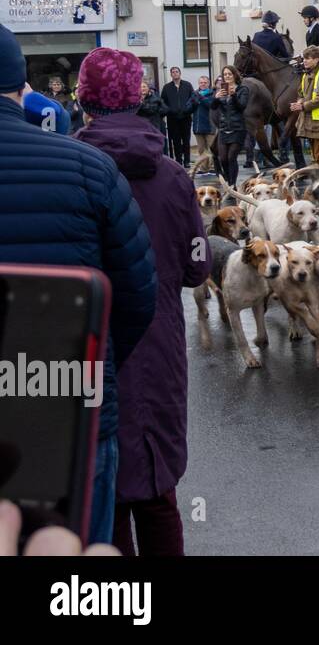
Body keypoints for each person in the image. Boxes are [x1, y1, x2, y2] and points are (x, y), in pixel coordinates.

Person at [0, 26, 157, 547]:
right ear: (24, 90)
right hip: (70, 402)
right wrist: (98, 362)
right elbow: (135, 297)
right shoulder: (89, 167)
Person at [74, 48, 209, 557]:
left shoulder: (73, 166)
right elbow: (197, 269)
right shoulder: (173, 176)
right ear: (139, 96)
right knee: (157, 493)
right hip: (157, 344)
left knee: (102, 496)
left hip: (87, 348)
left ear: (84, 100)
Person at [293, 46, 319, 171]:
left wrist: (302, 105)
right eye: (304, 58)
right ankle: (318, 183)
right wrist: (299, 102)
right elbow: (301, 93)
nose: (304, 61)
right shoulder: (306, 75)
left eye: (308, 58)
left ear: (317, 59)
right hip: (310, 120)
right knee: (314, 157)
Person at [212, 65, 249, 185]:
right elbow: (213, 107)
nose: (227, 76)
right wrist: (216, 98)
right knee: (222, 159)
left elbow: (241, 107)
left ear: (234, 75)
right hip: (224, 129)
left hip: (237, 128)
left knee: (231, 157)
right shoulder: (221, 91)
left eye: (229, 74)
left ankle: (233, 185)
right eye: (225, 74)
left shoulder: (243, 89)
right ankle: (229, 181)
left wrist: (233, 95)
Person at [160, 67, 194, 166]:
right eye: (173, 72)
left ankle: (187, 160)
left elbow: (192, 99)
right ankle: (178, 160)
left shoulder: (187, 85)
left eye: (176, 72)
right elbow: (162, 102)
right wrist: (168, 110)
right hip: (172, 119)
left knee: (186, 140)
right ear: (171, 74)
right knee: (176, 141)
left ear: (180, 73)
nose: (175, 74)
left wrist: (189, 110)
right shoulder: (167, 87)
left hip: (186, 117)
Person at [188, 75, 216, 173]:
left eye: (205, 82)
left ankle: (213, 168)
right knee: (201, 150)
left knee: (212, 149)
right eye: (201, 83)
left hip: (210, 125)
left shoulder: (213, 93)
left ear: (208, 84)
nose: (203, 84)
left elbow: (210, 104)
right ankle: (204, 169)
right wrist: (192, 103)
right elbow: (188, 108)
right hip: (198, 126)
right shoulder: (194, 94)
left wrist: (201, 98)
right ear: (198, 83)